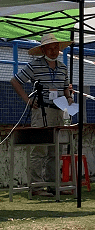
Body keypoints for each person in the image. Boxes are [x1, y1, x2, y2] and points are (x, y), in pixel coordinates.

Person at [10, 34, 75, 196]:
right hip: (41, 111)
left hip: (59, 110)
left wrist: (69, 97)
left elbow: (65, 86)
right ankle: (36, 187)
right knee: (39, 150)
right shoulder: (34, 65)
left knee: (56, 150)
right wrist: (28, 100)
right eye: (50, 48)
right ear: (43, 49)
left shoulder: (62, 67)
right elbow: (15, 81)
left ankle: (54, 184)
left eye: (56, 48)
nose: (53, 51)